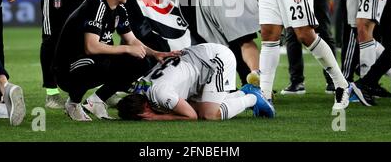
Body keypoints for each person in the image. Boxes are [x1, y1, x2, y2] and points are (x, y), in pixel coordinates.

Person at [54, 0, 178, 121]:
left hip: (93, 61)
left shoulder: (119, 10)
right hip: (67, 69)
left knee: (140, 61)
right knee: (103, 62)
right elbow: (91, 47)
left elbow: (132, 40)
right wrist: (126, 49)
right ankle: (73, 103)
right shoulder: (96, 6)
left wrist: (154, 53)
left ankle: (96, 101)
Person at [117, 43, 275, 121]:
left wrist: (160, 117)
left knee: (209, 115)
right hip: (198, 58)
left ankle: (253, 98)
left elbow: (191, 117)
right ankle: (243, 92)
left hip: (216, 60)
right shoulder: (140, 88)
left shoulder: (161, 93)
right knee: (196, 107)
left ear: (145, 107)